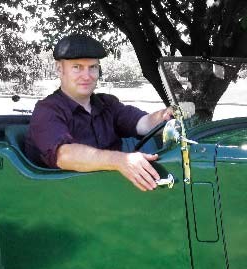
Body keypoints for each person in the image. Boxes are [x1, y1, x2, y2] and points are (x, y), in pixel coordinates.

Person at [25, 34, 172, 191]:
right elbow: (64, 155)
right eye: (77, 67)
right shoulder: (48, 110)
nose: (87, 76)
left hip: (109, 192)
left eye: (93, 67)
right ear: (60, 69)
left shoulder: (107, 104)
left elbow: (142, 123)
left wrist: (166, 116)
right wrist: (120, 160)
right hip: (67, 197)